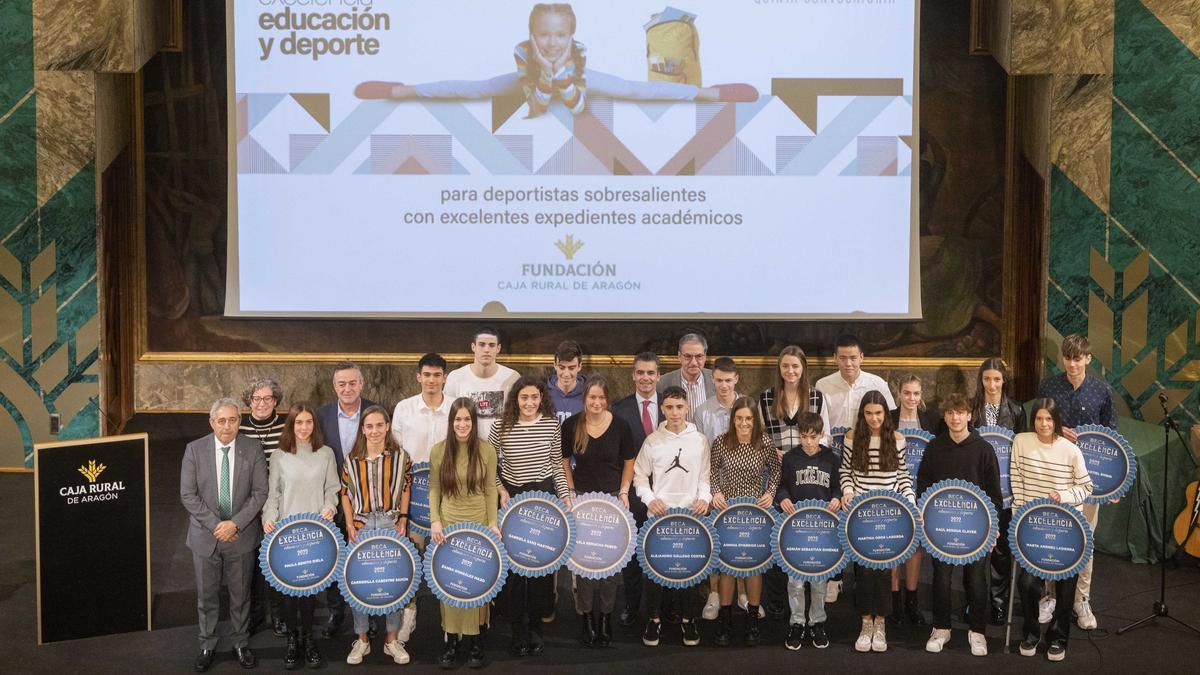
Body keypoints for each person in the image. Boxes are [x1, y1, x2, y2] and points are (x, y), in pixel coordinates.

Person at [353, 3, 759, 115]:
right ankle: (403, 90)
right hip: (531, 80)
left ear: (571, 36)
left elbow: (575, 99)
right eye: (544, 35)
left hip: (576, 81)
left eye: (559, 35)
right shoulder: (524, 54)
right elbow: (537, 101)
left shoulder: (578, 57)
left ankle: (706, 93)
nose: (551, 42)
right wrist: (544, 75)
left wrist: (561, 77)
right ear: (533, 35)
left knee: (632, 89)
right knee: (479, 88)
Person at [181, 398, 269, 672]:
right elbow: (188, 494)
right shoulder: (194, 450)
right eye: (221, 420)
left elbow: (260, 493)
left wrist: (235, 524)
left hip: (240, 536)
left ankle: (240, 642)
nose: (227, 426)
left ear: (239, 422)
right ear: (211, 422)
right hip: (205, 537)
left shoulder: (252, 448)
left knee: (240, 595)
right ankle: (207, 643)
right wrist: (217, 525)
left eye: (233, 420)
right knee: (206, 596)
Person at [1036, 334, 1116, 631]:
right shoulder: (1048, 386)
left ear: (1088, 359)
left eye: (1077, 358)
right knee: (1052, 537)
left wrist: (1113, 485)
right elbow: (1038, 426)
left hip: (1088, 481)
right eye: (1068, 358)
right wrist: (1057, 429)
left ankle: (1082, 600)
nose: (1072, 363)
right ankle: (1051, 596)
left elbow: (1112, 439)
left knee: (1085, 543)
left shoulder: (1102, 390)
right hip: (1054, 475)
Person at [488, 376, 572, 657]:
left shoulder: (551, 424)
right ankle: (516, 628)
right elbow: (489, 464)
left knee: (539, 567)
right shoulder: (501, 425)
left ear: (541, 399)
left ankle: (536, 626)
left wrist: (565, 496)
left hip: (542, 500)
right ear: (516, 399)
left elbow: (556, 464)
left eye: (534, 397)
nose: (529, 403)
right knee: (513, 569)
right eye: (524, 398)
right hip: (511, 500)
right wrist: (500, 490)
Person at [916, 393, 1003, 657]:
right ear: (945, 416)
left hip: (977, 529)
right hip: (941, 529)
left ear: (969, 416)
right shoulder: (934, 448)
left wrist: (994, 526)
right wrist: (923, 516)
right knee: (941, 578)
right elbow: (923, 484)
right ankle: (941, 628)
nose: (955, 417)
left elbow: (994, 493)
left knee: (976, 579)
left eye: (960, 412)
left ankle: (977, 632)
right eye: (951, 413)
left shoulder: (984, 449)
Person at [1012, 399, 1094, 662]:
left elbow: (1086, 487)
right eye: (1038, 418)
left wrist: (1064, 495)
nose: (1043, 424)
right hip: (1032, 526)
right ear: (1033, 420)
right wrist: (1018, 521)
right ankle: (1031, 634)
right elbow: (1017, 482)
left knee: (1066, 587)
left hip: (1067, 528)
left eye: (1049, 419)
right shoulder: (1021, 442)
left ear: (1056, 421)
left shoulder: (1071, 450)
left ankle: (1058, 638)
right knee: (1027, 583)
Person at [262, 403, 341, 669]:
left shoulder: (326, 453)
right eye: (299, 423)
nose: (304, 427)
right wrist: (268, 518)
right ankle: (292, 641)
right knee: (287, 594)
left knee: (308, 594)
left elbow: (332, 489)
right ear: (291, 426)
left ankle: (308, 640)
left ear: (314, 425)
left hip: (315, 534)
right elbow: (273, 495)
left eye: (309, 422)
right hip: (285, 535)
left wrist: (329, 508)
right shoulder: (279, 456)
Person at [560, 377, 637, 647]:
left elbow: (629, 461)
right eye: (592, 398)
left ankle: (605, 619)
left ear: (608, 400)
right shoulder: (572, 425)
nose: (596, 403)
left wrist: (625, 491)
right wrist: (569, 491)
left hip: (613, 503)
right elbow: (563, 461)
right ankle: (587, 620)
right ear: (585, 399)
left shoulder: (620, 426)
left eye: (601, 398)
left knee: (611, 568)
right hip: (582, 502)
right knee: (584, 565)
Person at [633, 386, 712, 648]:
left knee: (689, 571)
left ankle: (689, 620)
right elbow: (640, 476)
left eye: (679, 407)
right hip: (659, 518)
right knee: (654, 573)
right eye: (669, 407)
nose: (675, 412)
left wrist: (704, 498)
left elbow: (704, 477)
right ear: (663, 409)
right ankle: (653, 620)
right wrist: (650, 499)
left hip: (690, 518)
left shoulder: (699, 440)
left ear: (687, 408)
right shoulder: (653, 441)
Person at [429, 398, 500, 669]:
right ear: (451, 422)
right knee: (451, 584)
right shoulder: (438, 451)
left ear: (474, 421)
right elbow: (434, 488)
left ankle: (476, 642)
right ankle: (451, 641)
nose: (462, 424)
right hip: (448, 525)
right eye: (457, 419)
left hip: (478, 523)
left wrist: (492, 522)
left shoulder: (486, 450)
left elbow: (491, 489)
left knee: (477, 583)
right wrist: (435, 521)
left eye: (467, 419)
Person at [840, 390, 913, 653]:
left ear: (886, 414)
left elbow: (903, 475)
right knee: (863, 572)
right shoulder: (851, 438)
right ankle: (865, 623)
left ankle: (880, 623)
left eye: (879, 413)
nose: (874, 418)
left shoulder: (897, 439)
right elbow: (845, 472)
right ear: (863, 414)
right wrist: (848, 491)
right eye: (869, 413)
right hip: (861, 516)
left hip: (889, 516)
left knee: (884, 573)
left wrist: (910, 502)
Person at [759, 346, 830, 613]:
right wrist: (771, 450)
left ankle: (811, 606)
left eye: (795, 367)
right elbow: (761, 435)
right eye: (786, 366)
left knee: (805, 535)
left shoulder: (817, 397)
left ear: (803, 369)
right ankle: (779, 603)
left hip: (808, 474)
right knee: (777, 536)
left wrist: (805, 451)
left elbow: (827, 434)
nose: (790, 371)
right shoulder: (766, 398)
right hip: (777, 472)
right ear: (779, 369)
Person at [341, 406, 412, 666]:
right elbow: (345, 494)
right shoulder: (351, 459)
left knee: (392, 580)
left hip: (389, 523)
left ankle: (391, 639)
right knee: (358, 583)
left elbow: (406, 487)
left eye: (379, 425)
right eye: (369, 426)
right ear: (363, 429)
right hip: (360, 524)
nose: (374, 431)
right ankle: (362, 639)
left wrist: (403, 519)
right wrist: (349, 524)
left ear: (387, 426)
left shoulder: (401, 456)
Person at [708, 397, 781, 647]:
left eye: (748, 418)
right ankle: (725, 619)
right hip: (727, 512)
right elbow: (712, 470)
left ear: (754, 420)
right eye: (739, 418)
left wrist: (770, 493)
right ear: (733, 419)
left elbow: (776, 471)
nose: (744, 423)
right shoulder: (721, 442)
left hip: (754, 515)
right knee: (728, 566)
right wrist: (716, 492)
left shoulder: (765, 443)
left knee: (753, 566)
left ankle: (752, 620)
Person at [390, 352, 451, 641]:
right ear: (418, 377)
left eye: (437, 375)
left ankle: (450, 619)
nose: (431, 380)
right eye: (426, 374)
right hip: (412, 497)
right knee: (412, 559)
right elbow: (397, 453)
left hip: (448, 494)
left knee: (446, 556)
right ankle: (409, 616)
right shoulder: (404, 409)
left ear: (445, 378)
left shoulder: (455, 408)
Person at [316, 361, 377, 639]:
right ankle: (336, 612)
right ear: (334, 387)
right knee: (334, 556)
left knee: (366, 558)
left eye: (353, 382)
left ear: (361, 384)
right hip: (333, 500)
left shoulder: (376, 412)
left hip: (369, 502)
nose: (348, 388)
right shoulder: (322, 415)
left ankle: (372, 611)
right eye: (342, 383)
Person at [775, 412, 841, 650]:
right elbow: (781, 486)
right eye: (804, 437)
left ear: (821, 435)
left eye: (813, 437)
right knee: (795, 580)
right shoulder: (791, 458)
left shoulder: (831, 459)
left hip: (823, 529)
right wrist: (782, 498)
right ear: (798, 435)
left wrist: (837, 497)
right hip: (796, 527)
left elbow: (838, 486)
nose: (809, 442)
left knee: (819, 580)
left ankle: (817, 621)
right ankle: (797, 622)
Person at [970, 357, 1026, 624]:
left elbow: (1024, 451)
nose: (991, 385)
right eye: (987, 379)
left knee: (1001, 551)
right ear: (981, 381)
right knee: (975, 548)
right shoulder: (970, 410)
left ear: (1004, 381)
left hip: (1005, 491)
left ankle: (999, 602)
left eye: (997, 379)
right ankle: (974, 601)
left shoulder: (1015, 411)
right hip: (976, 491)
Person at [611, 352, 665, 628]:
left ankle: (663, 609)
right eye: (640, 373)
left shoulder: (671, 405)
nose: (645, 378)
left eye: (650, 373)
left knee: (663, 551)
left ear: (658, 375)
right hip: (632, 494)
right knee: (632, 555)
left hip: (667, 494)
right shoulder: (619, 409)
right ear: (633, 375)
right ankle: (632, 607)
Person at [888, 374, 937, 627]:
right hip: (893, 490)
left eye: (916, 394)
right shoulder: (889, 417)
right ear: (899, 393)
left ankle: (912, 601)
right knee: (896, 545)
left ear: (921, 395)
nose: (911, 398)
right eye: (907, 393)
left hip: (922, 491)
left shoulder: (930, 421)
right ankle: (894, 602)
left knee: (915, 546)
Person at [240, 377, 287, 636]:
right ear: (249, 401)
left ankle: (279, 614)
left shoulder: (286, 427)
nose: (261, 404)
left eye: (267, 398)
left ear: (276, 401)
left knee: (276, 561)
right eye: (256, 399)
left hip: (279, 503)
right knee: (251, 564)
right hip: (248, 505)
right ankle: (255, 613)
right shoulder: (241, 428)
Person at [444, 327, 521, 441]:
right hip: (466, 448)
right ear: (473, 347)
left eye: (491, 345)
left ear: (498, 348)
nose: (486, 350)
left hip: (502, 451)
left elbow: (520, 418)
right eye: (481, 344)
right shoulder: (455, 377)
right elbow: (448, 417)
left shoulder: (512, 378)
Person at [816, 334, 896, 431]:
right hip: (832, 444)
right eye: (843, 358)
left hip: (867, 443)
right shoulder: (823, 385)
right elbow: (816, 423)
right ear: (835, 358)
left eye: (853, 358)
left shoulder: (877, 384)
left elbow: (891, 417)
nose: (848, 364)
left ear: (861, 357)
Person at [658, 333, 717, 421]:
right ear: (679, 356)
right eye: (688, 356)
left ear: (705, 356)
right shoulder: (662, 383)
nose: (693, 362)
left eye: (699, 356)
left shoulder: (717, 380)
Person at [694, 357, 740, 442]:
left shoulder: (748, 408)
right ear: (712, 379)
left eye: (728, 380)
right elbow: (700, 447)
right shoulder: (701, 411)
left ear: (736, 379)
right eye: (719, 380)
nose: (724, 385)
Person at [549, 340, 586, 424]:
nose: (566, 374)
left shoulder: (589, 394)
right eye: (562, 368)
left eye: (571, 368)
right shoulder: (542, 393)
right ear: (555, 365)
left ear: (579, 366)